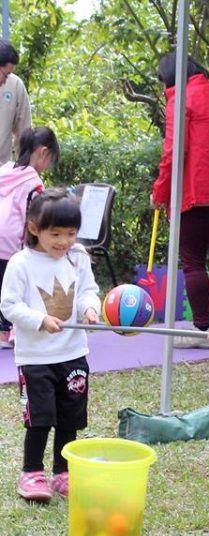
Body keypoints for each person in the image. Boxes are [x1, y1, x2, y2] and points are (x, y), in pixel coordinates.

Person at [0, 188, 100, 502]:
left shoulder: (78, 256)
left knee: (70, 417)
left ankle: (62, 473)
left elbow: (87, 289)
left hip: (73, 353)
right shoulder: (21, 263)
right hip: (35, 356)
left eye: (71, 233)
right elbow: (9, 305)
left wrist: (90, 308)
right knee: (40, 416)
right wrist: (39, 320)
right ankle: (31, 474)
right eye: (55, 234)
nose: (63, 241)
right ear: (34, 228)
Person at [150, 52, 209, 348]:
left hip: (195, 193)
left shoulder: (181, 99)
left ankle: (201, 330)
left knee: (192, 262)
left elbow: (174, 152)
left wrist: (160, 192)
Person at [0, 127, 60, 347]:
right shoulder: (33, 183)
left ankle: (3, 331)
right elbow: (33, 216)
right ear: (43, 153)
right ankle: (11, 331)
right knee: (19, 284)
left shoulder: (5, 171)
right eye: (51, 159)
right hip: (11, 242)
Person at [0, 40, 32, 166]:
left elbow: (23, 132)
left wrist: (24, 171)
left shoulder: (15, 86)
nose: (5, 80)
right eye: (5, 74)